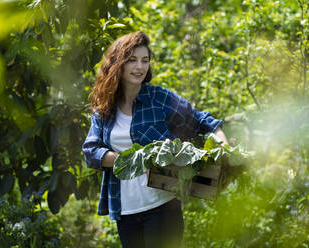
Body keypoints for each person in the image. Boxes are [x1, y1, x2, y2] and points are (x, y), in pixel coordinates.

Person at [82, 31, 228, 248]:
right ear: (117, 64)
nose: (139, 67)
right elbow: (91, 152)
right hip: (126, 211)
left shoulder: (160, 99)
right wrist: (136, 160)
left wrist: (224, 146)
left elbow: (203, 121)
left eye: (145, 60)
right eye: (132, 60)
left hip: (162, 207)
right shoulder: (105, 108)